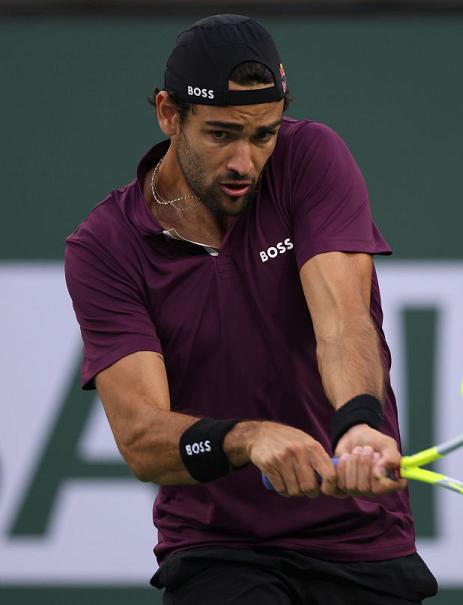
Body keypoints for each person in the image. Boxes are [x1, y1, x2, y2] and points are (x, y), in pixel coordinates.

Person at [64, 14, 438, 604]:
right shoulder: (105, 246)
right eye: (220, 134)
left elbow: (341, 320)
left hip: (362, 539)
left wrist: (359, 419)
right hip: (219, 548)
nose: (244, 160)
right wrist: (246, 438)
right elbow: (141, 437)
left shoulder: (310, 157)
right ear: (168, 113)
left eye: (263, 133)